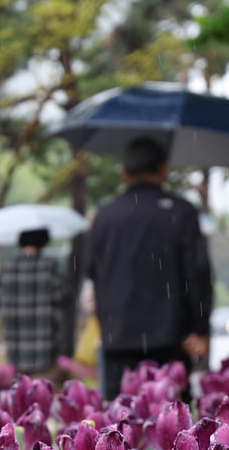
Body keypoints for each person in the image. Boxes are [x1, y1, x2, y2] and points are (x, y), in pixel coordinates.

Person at [84, 136, 212, 401]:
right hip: (171, 339)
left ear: (124, 174)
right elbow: (196, 272)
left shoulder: (104, 217)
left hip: (118, 338)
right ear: (163, 169)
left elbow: (91, 273)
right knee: (171, 429)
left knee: (120, 428)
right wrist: (199, 327)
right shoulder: (181, 212)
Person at [0, 227, 68, 380]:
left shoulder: (7, 267)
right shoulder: (50, 266)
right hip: (45, 341)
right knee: (42, 390)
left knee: (20, 392)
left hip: (15, 342)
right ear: (44, 241)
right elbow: (63, 297)